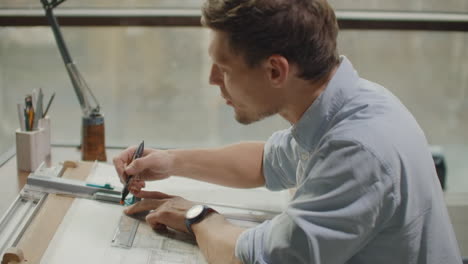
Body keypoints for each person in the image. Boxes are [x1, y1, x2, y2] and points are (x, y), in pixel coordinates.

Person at [113, 0, 462, 263]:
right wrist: (170, 161)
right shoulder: (344, 104)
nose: (213, 81)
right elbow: (267, 162)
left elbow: (257, 259)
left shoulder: (357, 149)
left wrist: (196, 217)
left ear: (275, 71)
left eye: (223, 68)